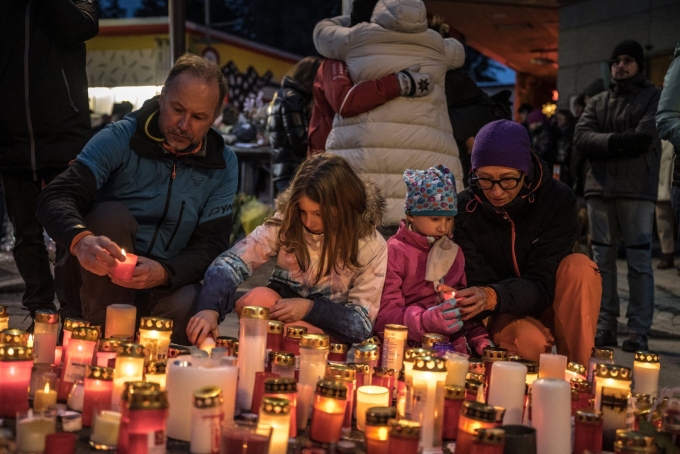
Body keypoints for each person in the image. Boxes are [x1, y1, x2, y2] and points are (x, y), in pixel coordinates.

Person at [36, 54, 238, 345]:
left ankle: (143, 346)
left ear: (215, 116)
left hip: (160, 286)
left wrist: (164, 273)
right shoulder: (120, 138)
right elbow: (54, 196)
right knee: (110, 216)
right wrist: (81, 241)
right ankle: (105, 335)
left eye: (198, 117)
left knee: (197, 307)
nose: (183, 125)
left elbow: (212, 244)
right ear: (162, 97)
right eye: (177, 109)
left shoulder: (223, 163)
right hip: (96, 279)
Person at [189, 154, 388, 346]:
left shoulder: (370, 245)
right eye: (303, 211)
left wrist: (310, 309)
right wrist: (209, 308)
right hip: (277, 316)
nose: (309, 221)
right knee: (256, 299)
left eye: (319, 213)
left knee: (298, 332)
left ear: (343, 206)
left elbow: (361, 324)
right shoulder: (288, 221)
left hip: (325, 335)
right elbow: (231, 263)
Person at [450, 119, 601, 366]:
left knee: (580, 267)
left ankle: (579, 372)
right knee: (529, 343)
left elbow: (544, 277)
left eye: (508, 179)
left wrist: (493, 294)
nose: (496, 191)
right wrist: (487, 296)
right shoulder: (465, 208)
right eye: (485, 179)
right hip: (500, 310)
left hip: (548, 298)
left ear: (525, 172)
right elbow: (477, 279)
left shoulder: (557, 200)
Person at [313, 0, 466, 226]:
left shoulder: (358, 37)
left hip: (366, 164)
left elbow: (322, 34)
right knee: (425, 253)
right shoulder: (436, 45)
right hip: (428, 171)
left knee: (363, 249)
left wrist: (352, 20)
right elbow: (459, 52)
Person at [0, 0, 100, 320]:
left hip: (64, 135)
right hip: (11, 137)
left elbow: (80, 28)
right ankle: (41, 312)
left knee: (70, 230)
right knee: (25, 235)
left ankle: (72, 312)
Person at [574, 39, 662, 352]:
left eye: (627, 60)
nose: (620, 66)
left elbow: (644, 138)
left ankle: (638, 329)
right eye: (616, 61)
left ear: (639, 64)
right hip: (599, 189)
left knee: (638, 262)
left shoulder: (654, 97)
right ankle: (605, 326)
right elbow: (581, 137)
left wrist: (605, 144)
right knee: (602, 264)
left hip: (637, 192)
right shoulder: (598, 101)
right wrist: (619, 142)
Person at [374, 165, 492, 354]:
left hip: (451, 351)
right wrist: (425, 321)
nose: (443, 228)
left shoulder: (454, 252)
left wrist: (479, 339)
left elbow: (463, 306)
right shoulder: (395, 251)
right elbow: (384, 316)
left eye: (449, 219)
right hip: (405, 350)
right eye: (435, 219)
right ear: (411, 214)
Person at [308, 0, 434, 155]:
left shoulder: (394, 54)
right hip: (331, 158)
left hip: (375, 152)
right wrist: (399, 83)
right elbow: (345, 102)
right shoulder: (336, 58)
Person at [266, 56, 321, 193]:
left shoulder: (283, 94)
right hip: (293, 171)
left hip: (283, 170)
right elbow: (299, 140)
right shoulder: (293, 98)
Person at [656, 41, 680, 275]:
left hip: (673, 170)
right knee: (663, 217)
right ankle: (667, 253)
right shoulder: (662, 114)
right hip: (665, 175)